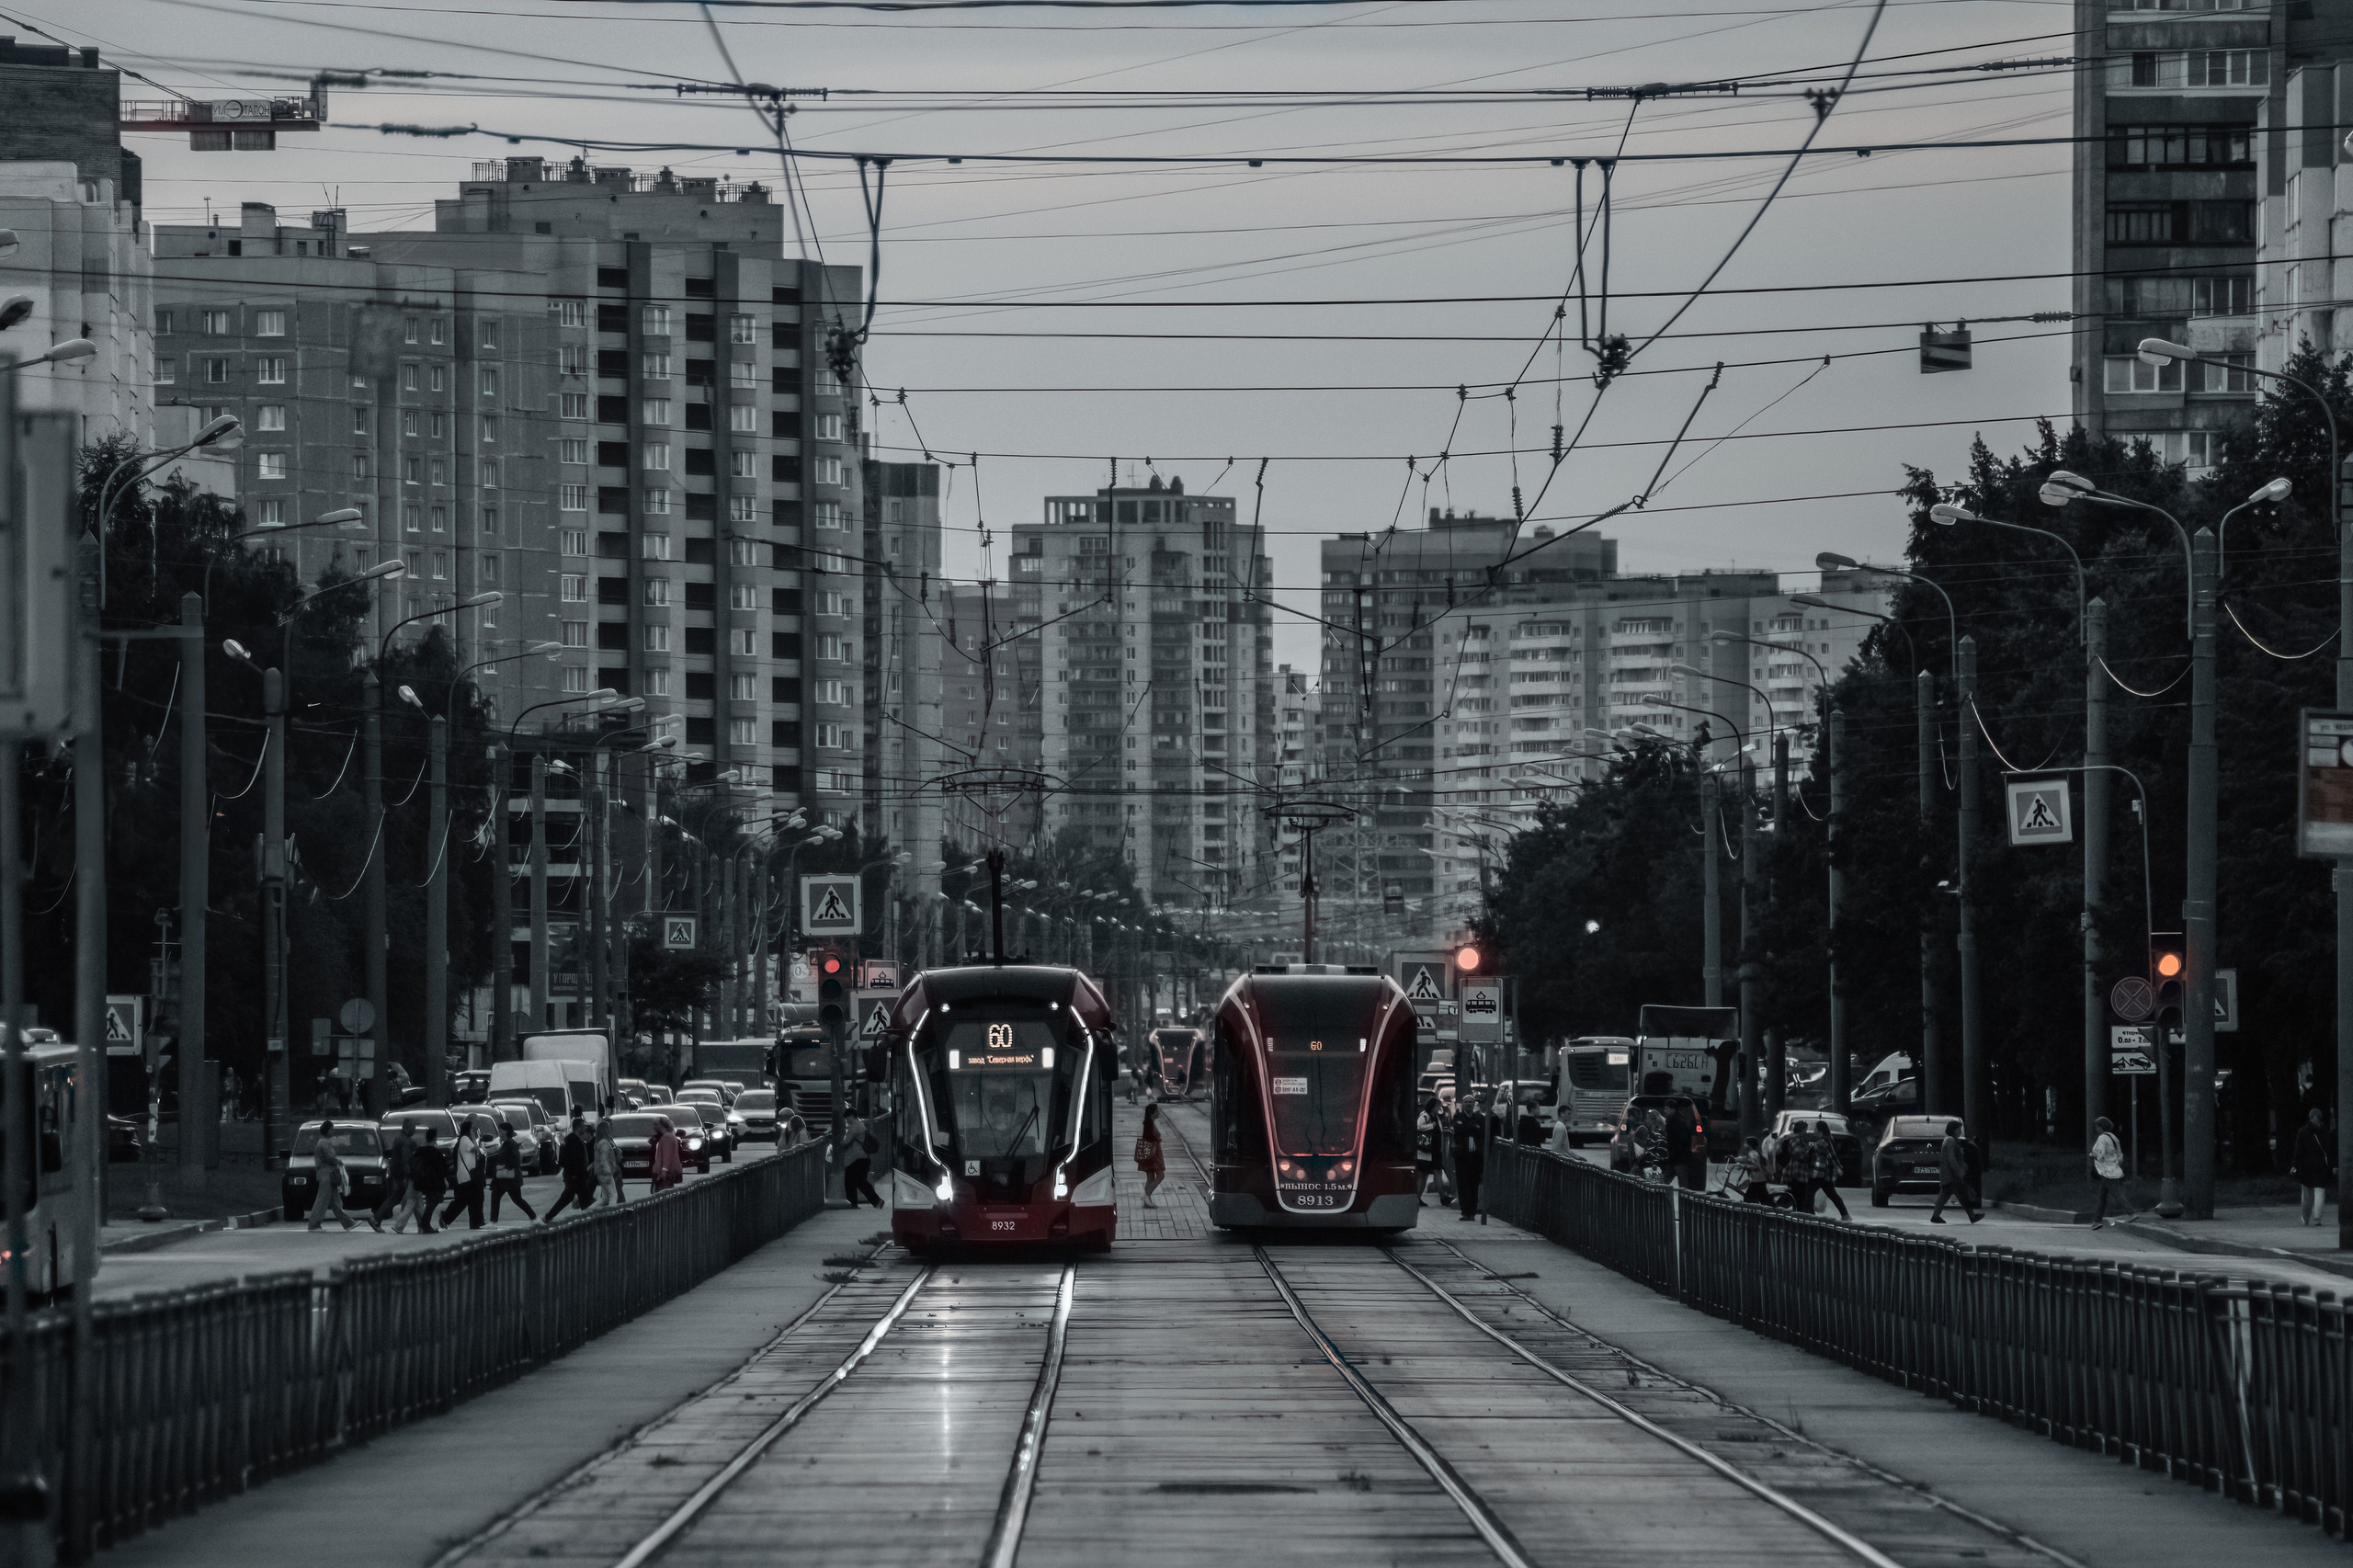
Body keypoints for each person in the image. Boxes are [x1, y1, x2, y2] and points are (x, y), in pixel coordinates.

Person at [543, 1111, 597, 1221]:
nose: (585, 1129)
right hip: (574, 1176)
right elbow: (570, 1159)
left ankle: (549, 1217)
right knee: (573, 1198)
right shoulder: (572, 1140)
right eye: (583, 1127)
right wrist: (576, 1173)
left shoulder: (576, 1139)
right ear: (578, 1128)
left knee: (578, 1198)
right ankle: (549, 1217)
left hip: (577, 1175)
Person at [307, 1121, 360, 1232]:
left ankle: (348, 1223)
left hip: (327, 1175)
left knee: (336, 1202)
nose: (333, 1131)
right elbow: (330, 1157)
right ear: (327, 1130)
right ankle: (314, 1224)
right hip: (327, 1175)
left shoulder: (322, 1142)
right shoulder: (324, 1143)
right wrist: (338, 1161)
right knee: (322, 1201)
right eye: (331, 1129)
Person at [1929, 1119, 1982, 1224]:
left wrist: (1964, 1166)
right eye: (1958, 1129)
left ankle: (1935, 1216)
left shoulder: (1951, 1140)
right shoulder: (1950, 1141)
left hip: (1949, 1175)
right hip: (1952, 1175)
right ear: (1953, 1130)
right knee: (1962, 1196)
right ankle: (1972, 1216)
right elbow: (1951, 1159)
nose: (1960, 1131)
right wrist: (1959, 1171)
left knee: (1944, 1196)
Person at [438, 1119, 488, 1230]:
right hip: (467, 1176)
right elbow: (476, 1150)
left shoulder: (465, 1139)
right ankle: (446, 1217)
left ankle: (475, 1221)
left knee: (471, 1199)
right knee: (465, 1200)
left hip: (468, 1175)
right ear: (468, 1129)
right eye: (471, 1128)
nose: (473, 1130)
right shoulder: (465, 1139)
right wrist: (482, 1148)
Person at [2087, 1115, 2134, 1229]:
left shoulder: (2102, 1139)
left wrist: (2092, 1155)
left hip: (2106, 1171)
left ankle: (2131, 1212)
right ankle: (2097, 1220)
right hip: (2115, 1169)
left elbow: (2100, 1154)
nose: (2096, 1129)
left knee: (2116, 1193)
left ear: (2100, 1127)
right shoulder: (2114, 1138)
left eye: (2097, 1126)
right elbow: (2120, 1156)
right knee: (2102, 1196)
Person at [1800, 1120, 1851, 1221]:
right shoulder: (1824, 1141)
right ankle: (1845, 1214)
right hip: (1825, 1175)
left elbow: (1832, 1156)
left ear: (1820, 1131)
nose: (1814, 1130)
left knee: (1809, 1194)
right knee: (1832, 1194)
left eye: (1815, 1129)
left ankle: (1809, 1216)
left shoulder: (1823, 1142)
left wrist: (1838, 1167)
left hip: (1818, 1174)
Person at [2292, 1108, 2334, 1227]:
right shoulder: (2325, 1131)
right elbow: (2329, 1151)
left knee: (2307, 1194)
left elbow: (2298, 1151)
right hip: (2321, 1166)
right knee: (2320, 1192)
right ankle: (2318, 1219)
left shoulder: (2303, 1131)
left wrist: (2295, 1165)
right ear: (2320, 1118)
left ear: (2310, 1117)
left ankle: (2305, 1218)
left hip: (2306, 1166)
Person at [372, 1121, 415, 1230]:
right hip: (401, 1174)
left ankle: (377, 1219)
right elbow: (406, 1160)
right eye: (413, 1127)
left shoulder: (399, 1138)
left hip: (396, 1172)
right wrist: (408, 1174)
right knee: (410, 1197)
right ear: (407, 1127)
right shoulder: (406, 1141)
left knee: (396, 1197)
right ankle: (377, 1219)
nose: (414, 1130)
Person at [490, 1124, 537, 1222]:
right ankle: (534, 1218)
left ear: (506, 1131)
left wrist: (504, 1166)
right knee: (499, 1197)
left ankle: (534, 1217)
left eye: (500, 1130)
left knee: (516, 1199)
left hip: (509, 1177)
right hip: (506, 1178)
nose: (499, 1132)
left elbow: (515, 1159)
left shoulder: (510, 1144)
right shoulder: (506, 1143)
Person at [405, 1127, 448, 1233]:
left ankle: (425, 1223)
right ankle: (425, 1223)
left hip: (421, 1180)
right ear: (435, 1138)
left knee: (430, 1202)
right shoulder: (436, 1153)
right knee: (433, 1202)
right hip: (433, 1182)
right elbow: (441, 1169)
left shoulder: (419, 1151)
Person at [1450, 1096, 1486, 1221]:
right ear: (1462, 1104)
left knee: (1474, 1184)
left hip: (1476, 1157)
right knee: (1463, 1184)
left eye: (1471, 1102)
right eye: (1466, 1102)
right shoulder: (1458, 1117)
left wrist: (1467, 1127)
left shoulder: (1479, 1118)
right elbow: (1458, 1130)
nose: (1469, 1104)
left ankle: (1472, 1212)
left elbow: (1482, 1131)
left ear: (1474, 1104)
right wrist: (1472, 1127)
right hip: (1462, 1157)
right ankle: (1465, 1211)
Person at [842, 1115, 883, 1208]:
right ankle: (876, 1201)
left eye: (847, 1117)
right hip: (864, 1157)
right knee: (860, 1181)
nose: (847, 1120)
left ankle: (853, 1203)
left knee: (850, 1180)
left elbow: (846, 1141)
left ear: (851, 1116)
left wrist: (837, 1142)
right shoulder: (861, 1124)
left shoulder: (854, 1127)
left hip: (856, 1158)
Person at [1415, 1097, 1447, 1205]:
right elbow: (1418, 1126)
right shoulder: (1425, 1116)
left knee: (1434, 1173)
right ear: (1433, 1106)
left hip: (1435, 1151)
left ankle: (1419, 1198)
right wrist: (1430, 1126)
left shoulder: (1436, 1116)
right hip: (1426, 1151)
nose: (1440, 1108)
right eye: (1438, 1106)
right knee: (1424, 1174)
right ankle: (1442, 1197)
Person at [1136, 1104, 1166, 1208]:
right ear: (1152, 1112)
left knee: (1150, 1178)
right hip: (1153, 1154)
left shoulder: (1149, 1122)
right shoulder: (1149, 1123)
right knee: (1161, 1175)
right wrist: (1157, 1139)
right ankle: (1147, 1196)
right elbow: (1149, 1138)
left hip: (1150, 1153)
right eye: (1157, 1111)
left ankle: (1147, 1202)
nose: (1159, 1113)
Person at [1722, 1136, 1769, 1203]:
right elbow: (1746, 1159)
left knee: (1749, 1199)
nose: (1744, 1144)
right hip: (1758, 1179)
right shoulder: (1753, 1152)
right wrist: (1735, 1159)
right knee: (1763, 1198)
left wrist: (1743, 1166)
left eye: (1746, 1143)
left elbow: (1755, 1166)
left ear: (1750, 1145)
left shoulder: (1753, 1153)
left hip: (1757, 1180)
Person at [593, 1119, 625, 1207]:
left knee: (605, 1198)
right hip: (606, 1173)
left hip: (600, 1173)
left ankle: (589, 1211)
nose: (611, 1129)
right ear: (606, 1130)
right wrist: (609, 1171)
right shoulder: (605, 1144)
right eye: (609, 1128)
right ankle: (611, 1215)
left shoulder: (599, 1143)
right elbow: (604, 1160)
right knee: (613, 1196)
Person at [649, 1117, 686, 1192]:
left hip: (665, 1172)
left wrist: (664, 1169)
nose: (654, 1127)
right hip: (665, 1171)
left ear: (662, 1125)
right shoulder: (667, 1136)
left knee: (661, 1193)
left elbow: (667, 1154)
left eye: (656, 1124)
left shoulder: (667, 1137)